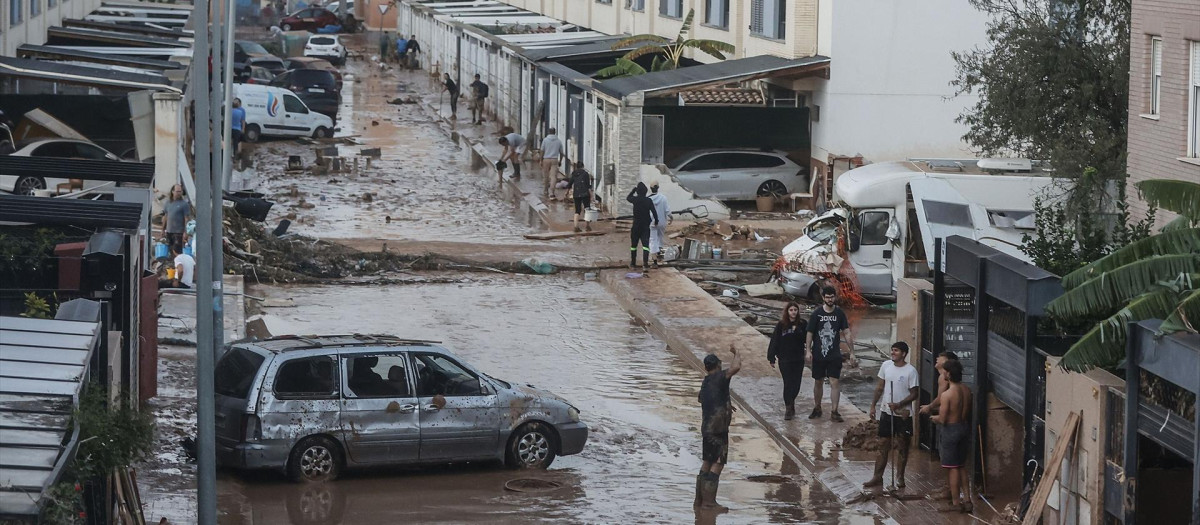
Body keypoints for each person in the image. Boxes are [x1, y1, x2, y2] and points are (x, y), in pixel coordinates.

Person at [864, 342, 919, 489]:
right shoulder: (886, 366)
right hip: (886, 412)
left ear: (904, 354)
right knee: (883, 444)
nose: (893, 353)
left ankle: (900, 477)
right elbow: (880, 387)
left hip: (903, 415)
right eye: (892, 350)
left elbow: (915, 393)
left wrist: (899, 404)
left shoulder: (911, 371)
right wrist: (873, 405)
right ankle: (877, 477)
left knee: (903, 446)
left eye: (896, 351)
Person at [695, 344, 741, 509]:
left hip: (706, 428)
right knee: (719, 462)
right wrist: (737, 352)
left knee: (707, 460)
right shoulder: (721, 377)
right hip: (719, 428)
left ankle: (699, 500)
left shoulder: (706, 381)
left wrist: (725, 403)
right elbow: (736, 366)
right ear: (718, 365)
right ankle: (709, 502)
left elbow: (701, 398)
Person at [805, 285, 857, 422]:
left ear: (835, 297)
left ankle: (834, 411)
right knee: (818, 381)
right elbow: (809, 332)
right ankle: (817, 407)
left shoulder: (839, 314)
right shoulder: (816, 314)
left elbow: (846, 332)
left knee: (835, 381)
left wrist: (852, 352)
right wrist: (808, 350)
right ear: (823, 298)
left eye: (832, 296)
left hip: (834, 354)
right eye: (827, 297)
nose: (830, 299)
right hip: (818, 354)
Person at [932, 359, 973, 513]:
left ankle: (956, 503)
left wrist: (932, 417)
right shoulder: (966, 390)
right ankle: (967, 500)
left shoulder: (947, 395)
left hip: (951, 430)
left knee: (952, 468)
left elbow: (942, 419)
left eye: (944, 372)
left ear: (948, 374)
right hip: (964, 427)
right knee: (962, 465)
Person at [767, 301, 807, 420]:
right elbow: (775, 340)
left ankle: (792, 401)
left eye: (795, 310)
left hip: (798, 358)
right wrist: (771, 357)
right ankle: (788, 408)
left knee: (796, 384)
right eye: (791, 310)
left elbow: (807, 338)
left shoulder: (803, 324)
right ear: (787, 311)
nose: (793, 312)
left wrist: (798, 331)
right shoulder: (781, 325)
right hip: (784, 359)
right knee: (788, 383)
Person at [626, 182, 659, 271]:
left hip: (636, 226)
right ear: (645, 191)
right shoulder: (648, 200)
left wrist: (633, 190)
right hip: (645, 226)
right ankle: (645, 264)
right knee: (645, 246)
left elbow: (628, 198)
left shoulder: (635, 200)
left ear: (638, 191)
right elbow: (654, 212)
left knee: (633, 246)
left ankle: (633, 264)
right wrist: (656, 221)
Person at [163, 184, 192, 254]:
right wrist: (163, 229)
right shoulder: (167, 203)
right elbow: (165, 216)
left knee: (177, 251)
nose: (179, 193)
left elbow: (186, 219)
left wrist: (186, 232)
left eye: (180, 191)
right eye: (177, 191)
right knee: (169, 251)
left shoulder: (184, 204)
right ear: (173, 191)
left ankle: (177, 263)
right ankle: (170, 263)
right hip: (169, 231)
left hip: (179, 232)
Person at [648, 182, 670, 266]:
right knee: (660, 238)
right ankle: (659, 256)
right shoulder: (663, 198)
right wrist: (671, 217)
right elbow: (667, 210)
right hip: (662, 222)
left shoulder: (648, 199)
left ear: (650, 188)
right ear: (658, 188)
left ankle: (654, 260)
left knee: (653, 239)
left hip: (652, 222)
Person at [568, 162, 593, 233]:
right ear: (583, 166)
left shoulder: (574, 174)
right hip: (585, 194)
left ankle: (576, 227)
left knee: (577, 210)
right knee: (587, 209)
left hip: (576, 194)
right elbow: (588, 185)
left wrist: (566, 192)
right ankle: (587, 226)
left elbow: (570, 184)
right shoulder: (586, 174)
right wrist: (591, 195)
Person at [540, 128, 563, 200]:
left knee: (545, 176)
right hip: (554, 160)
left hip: (546, 159)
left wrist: (541, 160)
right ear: (555, 132)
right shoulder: (558, 141)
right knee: (553, 177)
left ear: (548, 132)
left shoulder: (545, 140)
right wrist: (560, 160)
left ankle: (545, 190)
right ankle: (551, 192)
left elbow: (542, 150)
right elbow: (561, 152)